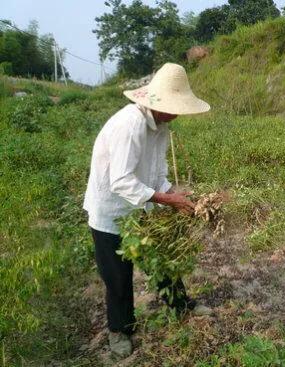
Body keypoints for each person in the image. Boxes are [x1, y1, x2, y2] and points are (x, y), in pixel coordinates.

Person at [83, 63, 211, 358]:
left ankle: (180, 305)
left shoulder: (162, 127)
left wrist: (172, 191)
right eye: (174, 106)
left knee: (165, 257)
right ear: (159, 103)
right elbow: (121, 181)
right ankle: (120, 330)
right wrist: (167, 201)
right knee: (118, 276)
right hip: (111, 212)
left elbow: (156, 173)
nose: (177, 113)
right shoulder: (130, 125)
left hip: (142, 205)